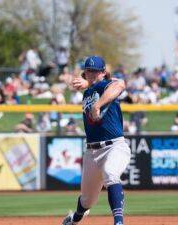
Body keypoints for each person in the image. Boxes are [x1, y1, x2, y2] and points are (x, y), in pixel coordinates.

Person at [62, 56, 131, 225]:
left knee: (111, 174)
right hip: (92, 152)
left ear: (103, 73)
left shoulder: (106, 85)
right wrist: (88, 85)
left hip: (114, 146)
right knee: (87, 201)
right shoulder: (88, 91)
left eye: (95, 71)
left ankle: (119, 222)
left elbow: (120, 84)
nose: (91, 73)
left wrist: (98, 104)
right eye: (88, 70)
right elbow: (92, 87)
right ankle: (76, 218)